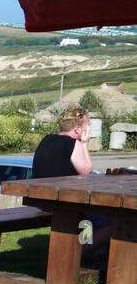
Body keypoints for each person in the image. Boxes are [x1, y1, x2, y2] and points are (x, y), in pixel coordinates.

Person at [32, 107, 110, 268]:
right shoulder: (72, 143)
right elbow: (87, 171)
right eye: (87, 125)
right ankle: (79, 253)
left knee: (89, 217)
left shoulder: (47, 139)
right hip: (63, 201)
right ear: (77, 129)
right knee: (115, 222)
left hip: (44, 200)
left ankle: (88, 253)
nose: (89, 129)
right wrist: (85, 143)